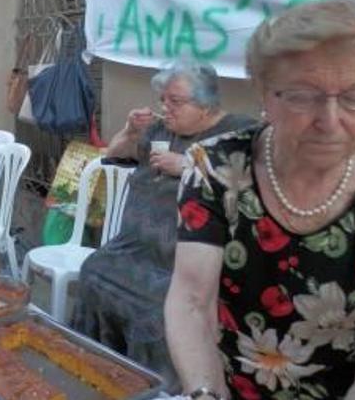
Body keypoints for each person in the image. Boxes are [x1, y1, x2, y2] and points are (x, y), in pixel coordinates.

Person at [165, 0, 355, 400]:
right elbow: (192, 300)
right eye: (302, 96)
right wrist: (206, 393)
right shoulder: (217, 168)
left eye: (354, 96)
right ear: (264, 94)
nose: (329, 121)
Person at [70, 61, 254, 390]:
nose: (165, 109)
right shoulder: (159, 130)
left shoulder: (235, 134)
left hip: (177, 263)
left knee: (155, 311)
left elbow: (249, 186)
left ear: (206, 103)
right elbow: (111, 154)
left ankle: (150, 388)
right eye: (163, 100)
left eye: (175, 102)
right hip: (130, 250)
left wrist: (188, 167)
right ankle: (96, 371)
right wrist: (130, 131)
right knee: (93, 271)